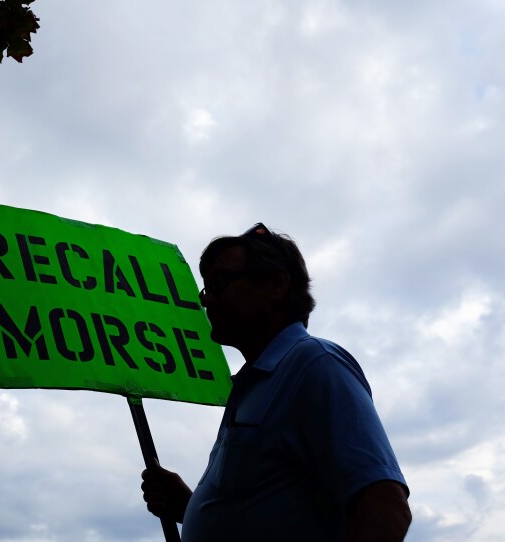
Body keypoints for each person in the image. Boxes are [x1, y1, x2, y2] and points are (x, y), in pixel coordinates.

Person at [141, 223, 411, 541]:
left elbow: (385, 507)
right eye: (206, 289)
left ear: (276, 284)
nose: (207, 300)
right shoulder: (254, 385)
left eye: (220, 282)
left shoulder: (313, 364)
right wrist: (188, 508)